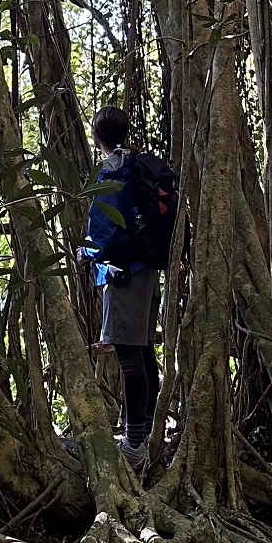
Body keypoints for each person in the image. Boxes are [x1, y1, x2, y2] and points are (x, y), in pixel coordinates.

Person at [80, 104, 171, 471]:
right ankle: (144, 435)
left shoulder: (112, 172)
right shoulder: (137, 163)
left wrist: (85, 252)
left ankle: (134, 445)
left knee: (130, 356)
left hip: (124, 273)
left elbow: (102, 227)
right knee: (144, 351)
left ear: (97, 138)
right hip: (147, 268)